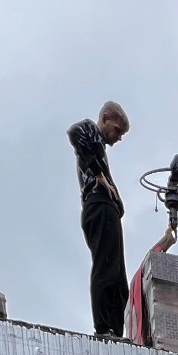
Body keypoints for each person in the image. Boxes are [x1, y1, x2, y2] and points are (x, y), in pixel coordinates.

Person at [68, 102, 130, 337]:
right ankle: (104, 328)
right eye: (117, 130)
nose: (118, 138)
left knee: (117, 274)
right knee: (106, 266)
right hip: (98, 205)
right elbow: (75, 132)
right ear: (104, 119)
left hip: (109, 208)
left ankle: (116, 329)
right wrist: (98, 173)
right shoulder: (89, 131)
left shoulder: (98, 146)